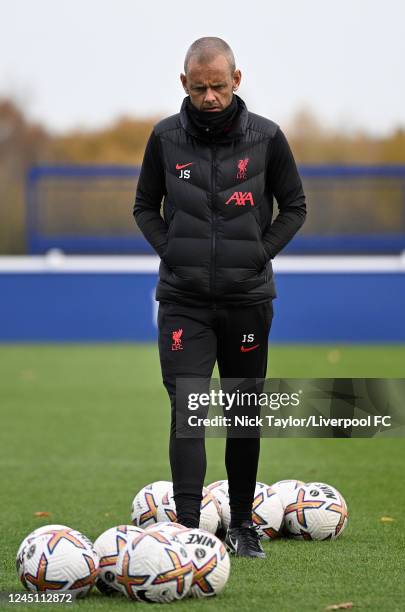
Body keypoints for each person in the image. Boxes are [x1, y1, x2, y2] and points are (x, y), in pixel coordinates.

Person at [133, 37, 306, 558]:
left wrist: (259, 254)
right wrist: (175, 254)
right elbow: (144, 206)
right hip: (184, 301)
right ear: (183, 83)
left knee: (243, 412)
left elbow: (295, 206)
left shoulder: (268, 138)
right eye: (200, 87)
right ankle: (187, 530)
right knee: (188, 408)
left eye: (219, 86)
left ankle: (243, 526)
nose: (210, 97)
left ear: (237, 79)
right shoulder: (164, 138)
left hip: (247, 299)